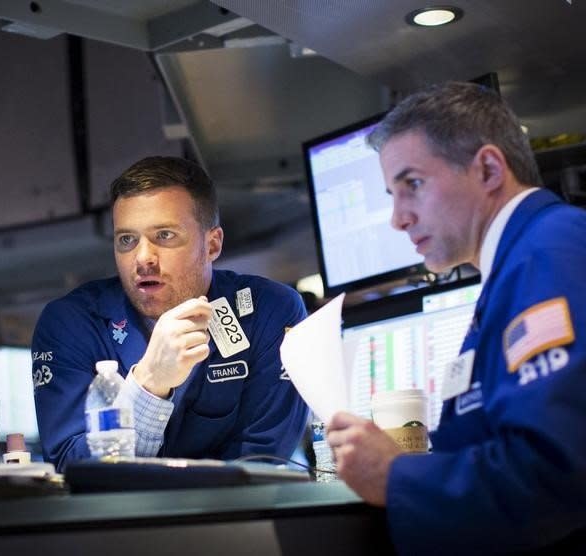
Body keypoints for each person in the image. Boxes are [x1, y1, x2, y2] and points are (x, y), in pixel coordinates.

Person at [326, 81, 586, 555]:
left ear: (487, 169)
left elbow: (554, 470)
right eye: (392, 193)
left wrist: (396, 475)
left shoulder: (550, 250)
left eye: (414, 185)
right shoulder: (516, 264)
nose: (398, 219)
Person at [32, 156, 309, 470]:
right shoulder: (71, 323)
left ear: (213, 245)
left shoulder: (270, 311)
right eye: (127, 240)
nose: (143, 257)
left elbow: (263, 464)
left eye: (164, 236)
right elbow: (72, 466)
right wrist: (148, 384)